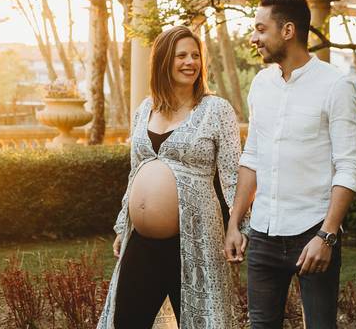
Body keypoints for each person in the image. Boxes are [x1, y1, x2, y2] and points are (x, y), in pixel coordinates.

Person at [224, 0, 356, 329]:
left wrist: (327, 236)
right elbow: (252, 156)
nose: (254, 38)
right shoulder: (261, 84)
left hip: (313, 234)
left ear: (287, 31)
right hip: (263, 235)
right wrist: (234, 221)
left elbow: (349, 167)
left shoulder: (335, 85)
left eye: (260, 29)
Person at [98, 25, 246, 329]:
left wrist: (237, 226)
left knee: (201, 322)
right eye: (181, 56)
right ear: (164, 60)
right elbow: (135, 171)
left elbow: (234, 175)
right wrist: (123, 224)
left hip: (196, 237)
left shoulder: (216, 110)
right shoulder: (144, 109)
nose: (190, 62)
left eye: (195, 55)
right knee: (125, 321)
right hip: (141, 242)